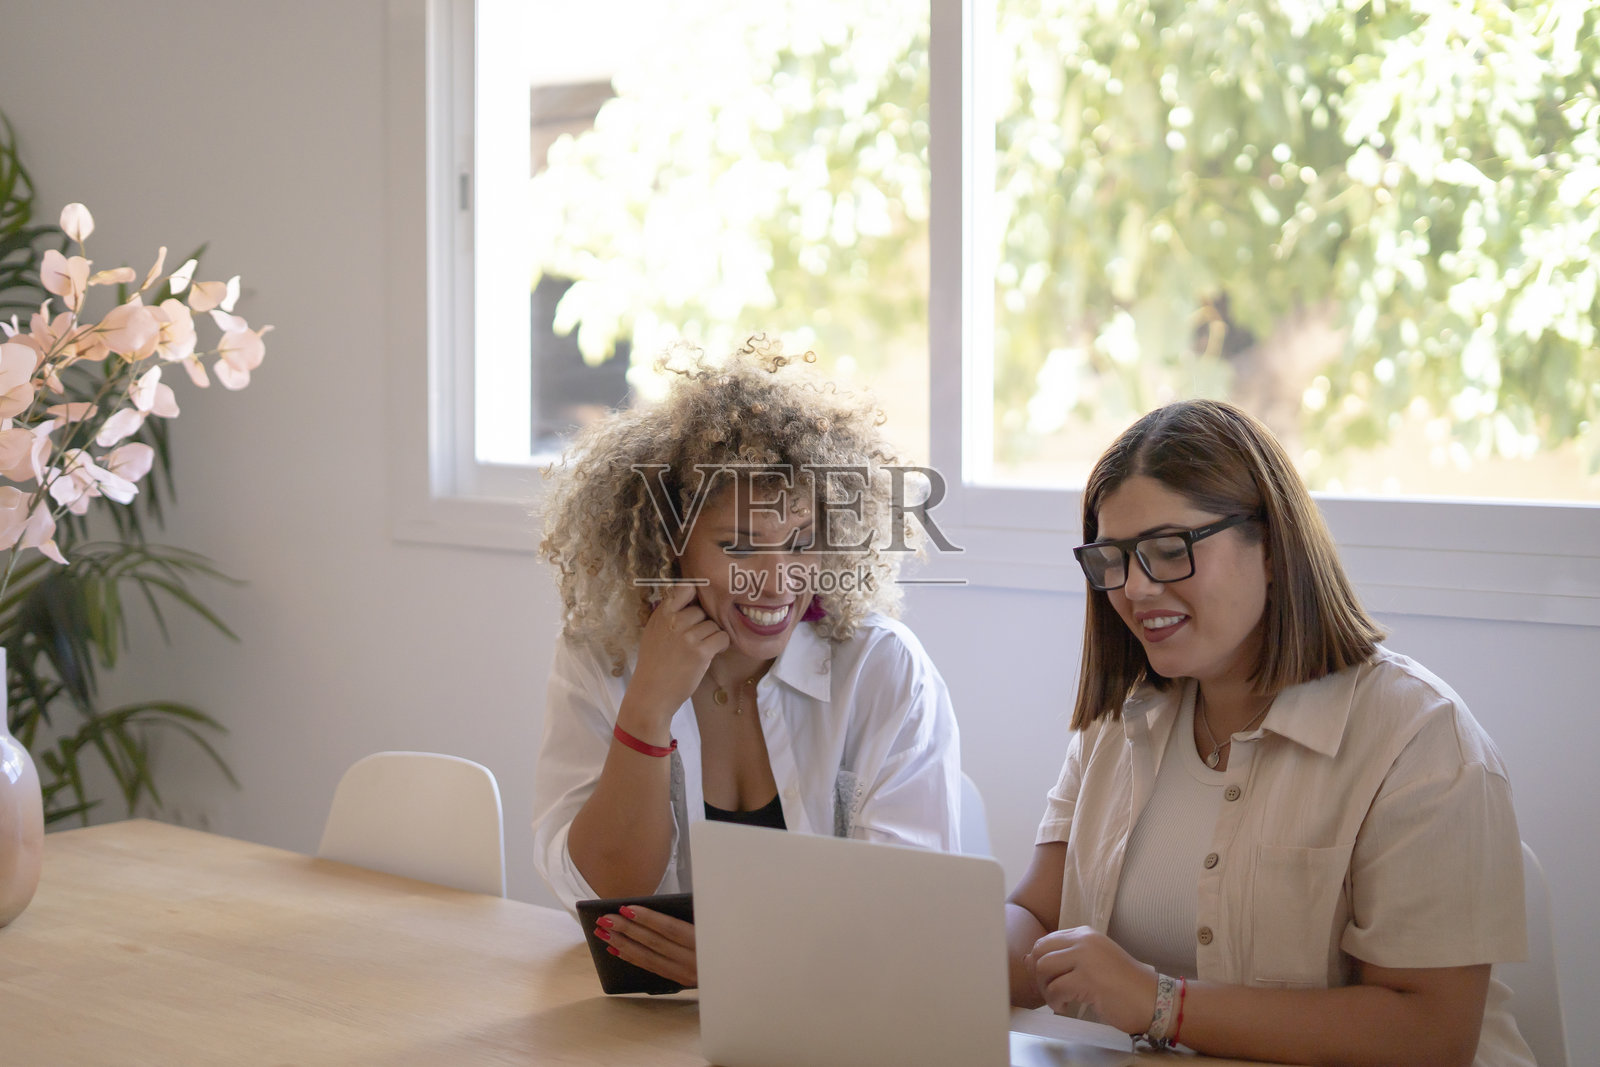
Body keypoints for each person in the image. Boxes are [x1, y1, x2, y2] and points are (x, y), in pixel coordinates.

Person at [1006, 400, 1533, 1066]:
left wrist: (1159, 1001)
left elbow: (1430, 1031)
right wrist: (951, 948)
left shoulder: (1422, 741)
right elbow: (1038, 916)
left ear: (1274, 548)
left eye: (1169, 550)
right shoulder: (1123, 718)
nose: (1135, 588)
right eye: (1113, 558)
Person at [532, 336, 960, 989]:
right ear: (667, 544)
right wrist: (647, 708)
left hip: (836, 1031)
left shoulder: (882, 668)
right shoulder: (603, 656)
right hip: (649, 1032)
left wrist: (746, 965)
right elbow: (602, 892)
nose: (778, 579)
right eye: (740, 546)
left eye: (799, 541)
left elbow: (910, 922)